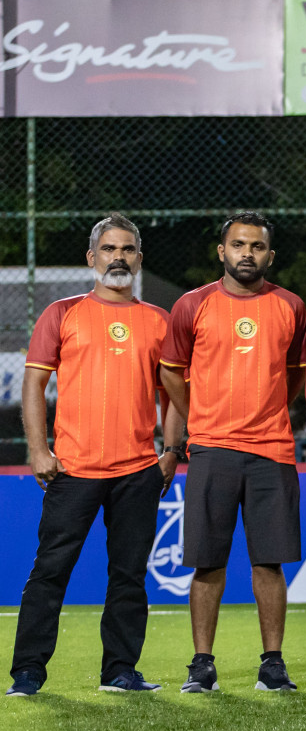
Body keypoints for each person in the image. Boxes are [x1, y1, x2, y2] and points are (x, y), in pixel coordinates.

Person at [8, 215, 180, 697]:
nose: (118, 257)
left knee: (128, 576)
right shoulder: (61, 313)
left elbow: (174, 396)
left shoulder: (157, 322)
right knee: (49, 572)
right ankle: (28, 673)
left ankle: (119, 671)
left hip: (137, 471)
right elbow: (34, 383)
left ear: (139, 260)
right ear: (91, 258)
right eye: (108, 249)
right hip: (73, 470)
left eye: (127, 249)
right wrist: (39, 449)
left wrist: (171, 452)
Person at [158, 212, 306, 694]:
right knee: (208, 562)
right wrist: (197, 417)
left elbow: (297, 372)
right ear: (222, 252)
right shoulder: (192, 305)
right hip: (211, 450)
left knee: (269, 562)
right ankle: (202, 664)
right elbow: (169, 372)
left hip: (271, 450)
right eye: (239, 245)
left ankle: (273, 664)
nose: (248, 253)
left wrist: (270, 408)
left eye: (258, 246)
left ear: (270, 255)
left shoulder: (291, 306)